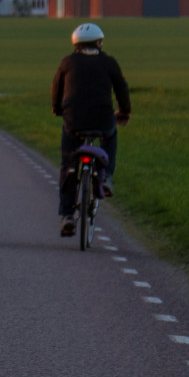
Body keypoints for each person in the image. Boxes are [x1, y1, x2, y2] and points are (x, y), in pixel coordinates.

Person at [52, 23, 130, 237]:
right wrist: (124, 112)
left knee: (67, 166)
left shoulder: (67, 62)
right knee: (111, 134)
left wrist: (57, 109)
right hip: (103, 119)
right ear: (98, 43)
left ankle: (67, 215)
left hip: (73, 121)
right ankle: (107, 177)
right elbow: (122, 88)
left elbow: (56, 89)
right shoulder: (109, 62)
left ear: (76, 45)